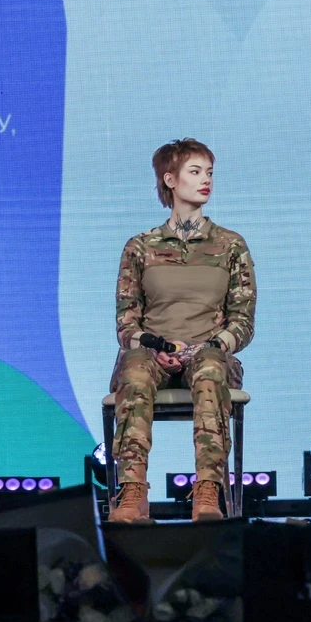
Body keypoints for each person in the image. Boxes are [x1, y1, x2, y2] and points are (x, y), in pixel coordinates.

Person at [109, 139, 256, 523]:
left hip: (209, 351)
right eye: (195, 172)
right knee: (135, 366)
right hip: (153, 351)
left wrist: (210, 344)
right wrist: (154, 345)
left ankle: (208, 490)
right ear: (169, 179)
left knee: (209, 366)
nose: (206, 180)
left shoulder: (230, 245)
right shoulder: (140, 247)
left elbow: (242, 319)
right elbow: (126, 321)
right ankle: (132, 492)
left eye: (209, 172)